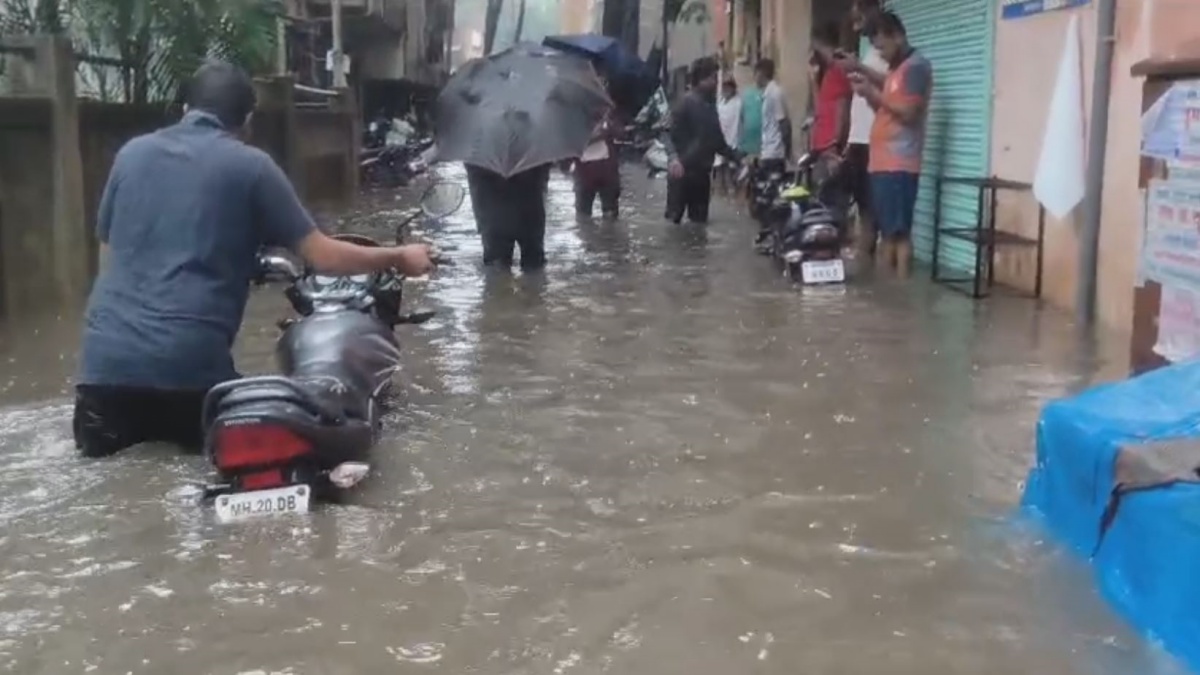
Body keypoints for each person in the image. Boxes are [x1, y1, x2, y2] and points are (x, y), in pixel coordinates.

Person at [74, 61, 435, 458]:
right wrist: (400, 256)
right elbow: (323, 255)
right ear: (247, 120)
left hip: (102, 367)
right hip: (188, 370)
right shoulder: (252, 166)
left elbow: (107, 257)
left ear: (184, 109)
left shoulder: (131, 154)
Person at [845, 10, 933, 279]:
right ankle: (891, 299)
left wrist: (872, 92)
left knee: (898, 234)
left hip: (899, 164)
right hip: (883, 163)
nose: (880, 54)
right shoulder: (896, 71)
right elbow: (885, 108)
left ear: (897, 36)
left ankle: (900, 295)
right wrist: (865, 89)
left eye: (882, 46)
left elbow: (909, 113)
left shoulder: (916, 67)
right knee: (888, 232)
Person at [663, 57, 741, 224]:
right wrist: (673, 158)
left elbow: (717, 141)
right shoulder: (684, 103)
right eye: (713, 78)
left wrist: (738, 157)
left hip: (702, 175)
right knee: (673, 224)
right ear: (702, 80)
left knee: (699, 228)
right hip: (681, 173)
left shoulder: (710, 106)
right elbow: (665, 132)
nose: (716, 83)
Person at [842, 0, 889, 259]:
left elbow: (890, 87)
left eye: (856, 12)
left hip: (874, 141)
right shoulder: (868, 51)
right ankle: (866, 266)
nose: (853, 18)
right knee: (862, 205)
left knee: (872, 207)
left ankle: (871, 263)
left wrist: (860, 69)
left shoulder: (884, 54)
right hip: (859, 141)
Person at [466, 163, 552, 269]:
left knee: (496, 268)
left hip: (493, 218)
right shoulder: (535, 150)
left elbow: (475, 181)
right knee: (534, 266)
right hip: (530, 214)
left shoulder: (478, 152)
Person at [809, 21, 853, 214]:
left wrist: (835, 144)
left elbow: (843, 109)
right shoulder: (827, 72)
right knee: (822, 202)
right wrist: (813, 81)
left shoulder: (839, 69)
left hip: (831, 148)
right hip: (822, 147)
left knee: (831, 207)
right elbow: (821, 106)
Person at [574, 104, 621, 219]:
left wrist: (608, 124)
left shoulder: (607, 119)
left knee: (609, 213)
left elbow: (620, 133)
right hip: (584, 173)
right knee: (583, 214)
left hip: (607, 172)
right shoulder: (573, 121)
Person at [715, 77, 742, 196]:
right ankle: (720, 190)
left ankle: (732, 190)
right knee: (719, 167)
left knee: (730, 168)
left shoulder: (738, 103)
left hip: (733, 138)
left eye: (727, 87)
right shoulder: (720, 102)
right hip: (720, 138)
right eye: (724, 87)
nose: (725, 89)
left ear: (733, 88)